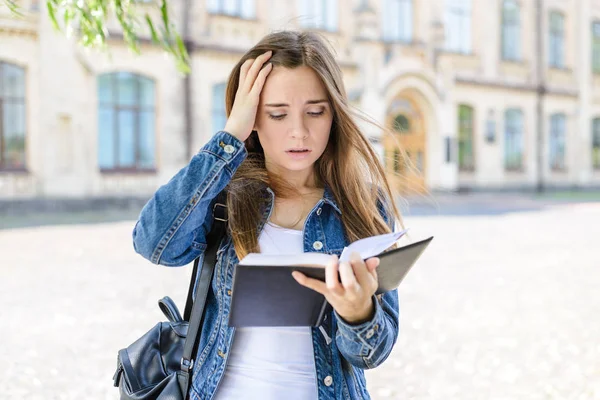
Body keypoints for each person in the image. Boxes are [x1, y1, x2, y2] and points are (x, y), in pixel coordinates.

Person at [132, 30, 404, 400]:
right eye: (277, 113)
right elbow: (154, 244)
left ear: (334, 115)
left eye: (315, 111)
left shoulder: (363, 203)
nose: (299, 131)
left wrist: (359, 313)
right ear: (253, 117)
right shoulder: (223, 196)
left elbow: (373, 353)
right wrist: (230, 137)